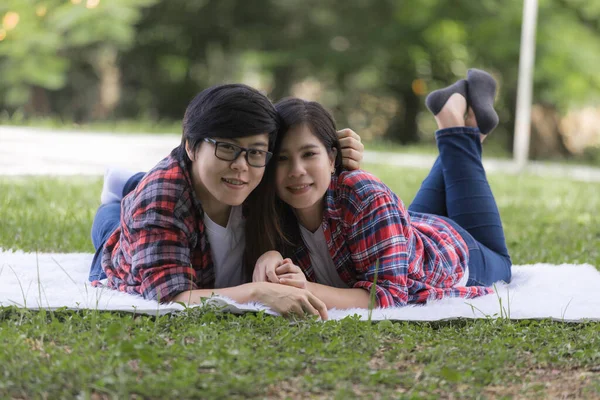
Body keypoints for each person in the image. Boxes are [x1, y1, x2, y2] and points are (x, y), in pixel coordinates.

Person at [89, 83, 364, 319]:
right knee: (110, 229)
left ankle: (130, 182)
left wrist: (339, 152)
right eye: (227, 148)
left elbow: (303, 159)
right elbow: (169, 297)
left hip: (178, 190)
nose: (241, 165)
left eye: (255, 151)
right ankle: (121, 192)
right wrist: (258, 292)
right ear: (191, 146)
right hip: (126, 245)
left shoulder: (265, 171)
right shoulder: (161, 199)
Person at [249, 70, 512, 310]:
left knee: (503, 264)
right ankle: (462, 131)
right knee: (454, 154)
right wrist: (270, 255)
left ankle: (457, 123)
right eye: (282, 159)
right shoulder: (272, 207)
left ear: (332, 159)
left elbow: (388, 296)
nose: (296, 170)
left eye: (309, 154)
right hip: (403, 230)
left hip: (448, 251)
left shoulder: (362, 195)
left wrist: (303, 289)